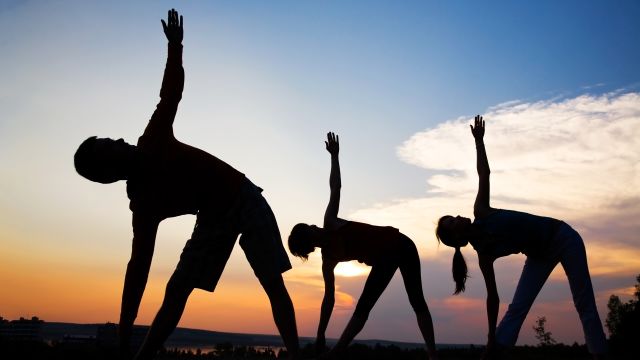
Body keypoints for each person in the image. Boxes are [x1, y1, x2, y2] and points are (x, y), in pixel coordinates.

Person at [74, 9, 300, 360]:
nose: (118, 140)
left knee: (272, 281)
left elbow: (170, 95)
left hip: (242, 195)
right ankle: (141, 357)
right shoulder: (143, 202)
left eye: (111, 138)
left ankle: (297, 354)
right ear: (107, 168)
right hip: (212, 218)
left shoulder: (152, 139)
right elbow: (138, 268)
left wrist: (175, 48)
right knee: (177, 288)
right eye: (110, 145)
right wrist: (124, 327)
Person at [435, 115, 607, 359]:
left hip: (563, 237)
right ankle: (497, 351)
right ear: (457, 236)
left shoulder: (481, 212)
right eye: (452, 221)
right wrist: (490, 339)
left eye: (452, 216)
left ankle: (600, 354)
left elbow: (484, 173)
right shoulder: (484, 254)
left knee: (583, 302)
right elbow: (492, 297)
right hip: (539, 255)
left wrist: (479, 142)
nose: (458, 216)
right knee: (517, 308)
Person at [288, 132, 439, 360]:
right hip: (385, 260)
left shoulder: (330, 226)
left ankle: (432, 354)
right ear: (309, 240)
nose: (313, 226)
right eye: (309, 230)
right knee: (364, 307)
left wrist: (334, 157)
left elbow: (335, 188)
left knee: (416, 300)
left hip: (400, 245)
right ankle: (337, 352)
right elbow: (328, 299)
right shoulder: (328, 256)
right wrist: (320, 333)